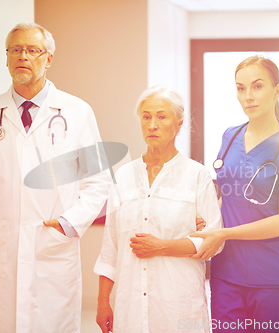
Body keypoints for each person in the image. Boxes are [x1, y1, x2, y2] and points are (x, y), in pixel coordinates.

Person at [0, 23, 110, 333]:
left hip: (53, 245)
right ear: (7, 58)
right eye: (15, 49)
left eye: (31, 50)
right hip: (5, 247)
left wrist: (68, 223)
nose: (22, 56)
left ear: (48, 59)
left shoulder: (77, 112)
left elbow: (99, 182)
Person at [190, 56, 279, 333]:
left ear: (277, 90)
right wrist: (211, 221)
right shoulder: (230, 136)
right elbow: (224, 195)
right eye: (240, 88)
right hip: (227, 272)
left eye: (257, 86)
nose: (248, 96)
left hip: (272, 274)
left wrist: (224, 233)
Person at [94, 86, 223, 333]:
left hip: (178, 307)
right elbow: (110, 248)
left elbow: (214, 241)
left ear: (179, 124)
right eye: (146, 116)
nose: (152, 124)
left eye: (161, 116)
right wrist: (102, 302)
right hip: (130, 307)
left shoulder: (197, 175)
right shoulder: (123, 176)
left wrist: (161, 246)